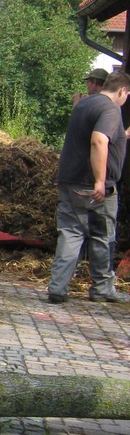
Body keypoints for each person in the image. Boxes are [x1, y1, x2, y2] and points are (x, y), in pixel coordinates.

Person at [47, 69, 130, 304]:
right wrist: (100, 181)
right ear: (122, 90)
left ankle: (57, 287)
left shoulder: (84, 104)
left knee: (70, 234)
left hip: (69, 180)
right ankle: (102, 288)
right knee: (103, 236)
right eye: (127, 95)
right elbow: (98, 140)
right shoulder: (111, 108)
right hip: (91, 185)